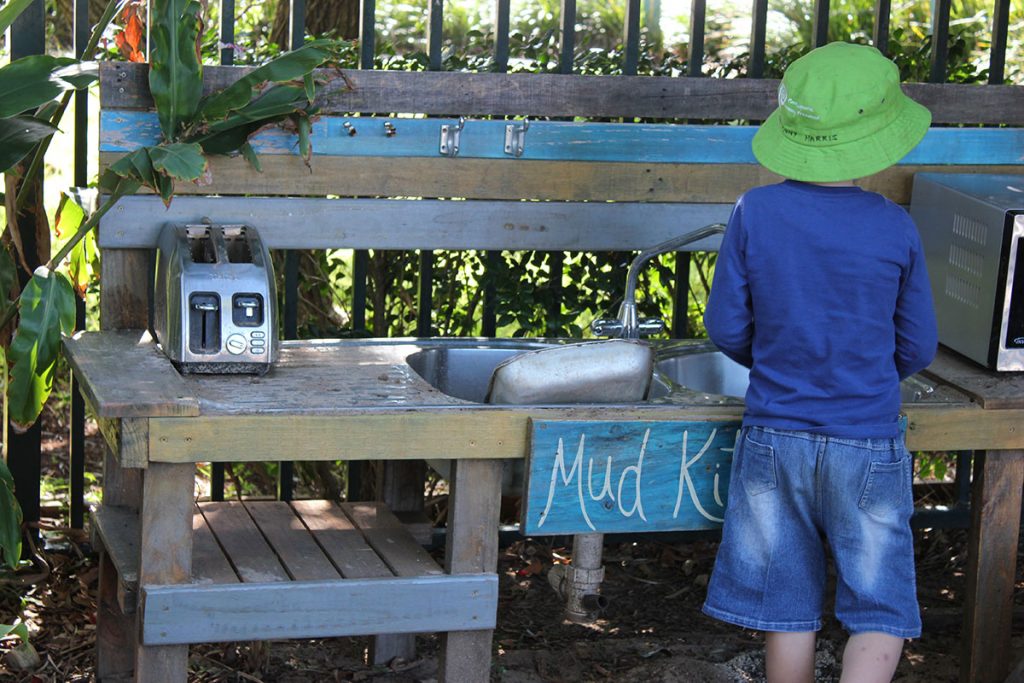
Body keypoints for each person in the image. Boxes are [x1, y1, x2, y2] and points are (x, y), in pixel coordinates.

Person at [701, 41, 938, 683]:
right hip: (867, 439)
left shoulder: (755, 211)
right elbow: (917, 345)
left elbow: (725, 327)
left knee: (785, 605)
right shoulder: (895, 227)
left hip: (774, 437)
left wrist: (778, 361)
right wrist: (864, 378)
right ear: (879, 139)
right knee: (879, 607)